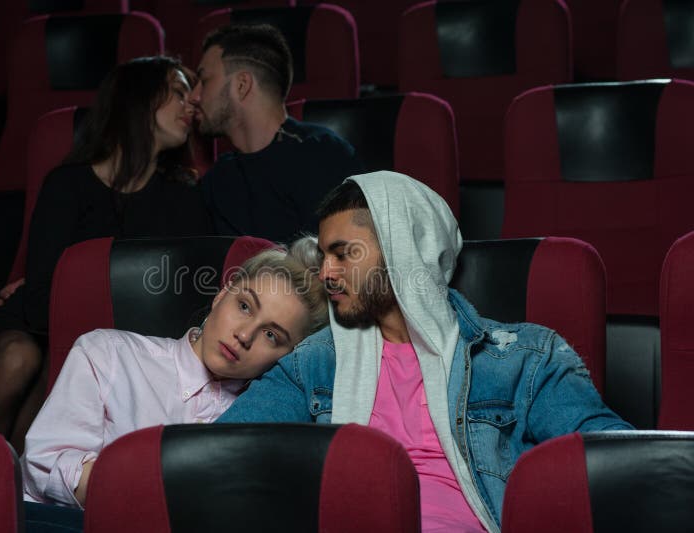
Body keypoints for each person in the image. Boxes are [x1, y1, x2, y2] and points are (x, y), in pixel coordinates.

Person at [217, 172, 634, 532]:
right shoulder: (313, 362)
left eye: (343, 254)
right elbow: (222, 453)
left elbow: (618, 464)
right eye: (325, 256)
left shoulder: (525, 357)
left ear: (403, 250)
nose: (325, 272)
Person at [0, 55, 212, 454]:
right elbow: (41, 297)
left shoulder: (184, 196)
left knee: (72, 362)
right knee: (18, 359)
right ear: (138, 99)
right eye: (178, 93)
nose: (192, 104)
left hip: (131, 335)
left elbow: (182, 295)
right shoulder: (66, 185)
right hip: (45, 322)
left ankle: (24, 477)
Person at [21, 236, 329, 510]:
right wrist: (159, 496)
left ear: (288, 357)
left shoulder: (259, 417)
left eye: (271, 335)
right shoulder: (108, 353)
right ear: (221, 296)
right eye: (245, 306)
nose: (245, 335)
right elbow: (44, 464)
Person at [189, 23, 365, 243]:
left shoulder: (321, 156)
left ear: (242, 85)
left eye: (204, 81)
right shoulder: (219, 178)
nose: (193, 96)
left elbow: (343, 264)